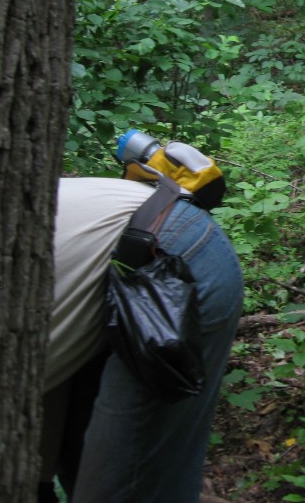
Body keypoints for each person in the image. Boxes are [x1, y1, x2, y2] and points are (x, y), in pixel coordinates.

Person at [39, 177, 243, 503]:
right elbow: (47, 385)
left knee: (118, 488)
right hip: (122, 251)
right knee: (82, 465)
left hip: (169, 264)